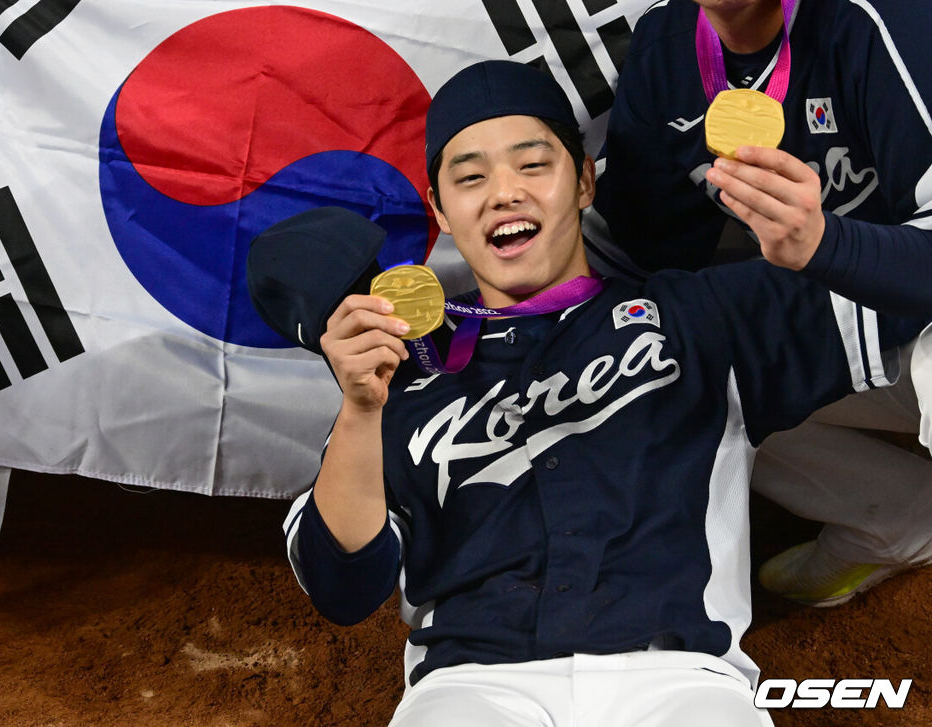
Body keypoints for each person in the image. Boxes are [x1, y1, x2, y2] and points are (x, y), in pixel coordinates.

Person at [272, 60, 925, 725]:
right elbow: (342, 586)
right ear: (440, 208)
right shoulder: (399, 374)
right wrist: (358, 411)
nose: (503, 193)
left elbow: (911, 293)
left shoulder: (703, 313)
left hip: (681, 680)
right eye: (470, 177)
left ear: (584, 181)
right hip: (472, 689)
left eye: (532, 166)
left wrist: (824, 242)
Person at [588, 0, 932, 606]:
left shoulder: (887, 21)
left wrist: (828, 243)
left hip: (922, 314)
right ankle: (897, 517)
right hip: (838, 318)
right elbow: (644, 249)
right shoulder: (665, 48)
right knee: (658, 366)